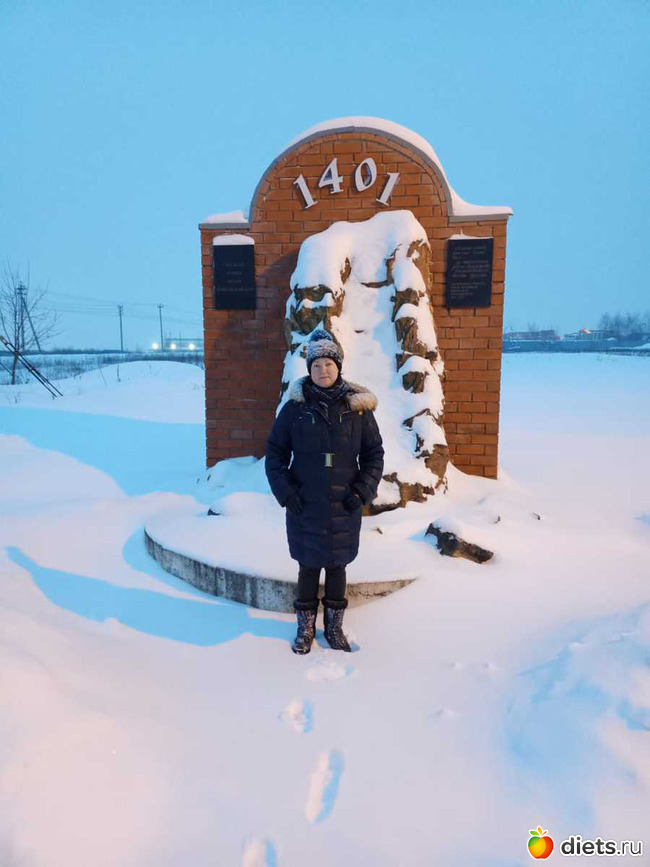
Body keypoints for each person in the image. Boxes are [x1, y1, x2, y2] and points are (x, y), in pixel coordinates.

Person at [265, 329, 384, 654]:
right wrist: (287, 493)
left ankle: (333, 628)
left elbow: (374, 454)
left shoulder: (357, 409)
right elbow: (275, 453)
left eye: (328, 364)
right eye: (316, 365)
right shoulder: (295, 408)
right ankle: (305, 630)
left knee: (337, 567)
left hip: (344, 505)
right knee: (307, 567)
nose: (323, 371)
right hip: (305, 505)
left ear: (338, 366)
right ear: (309, 369)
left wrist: (361, 493)